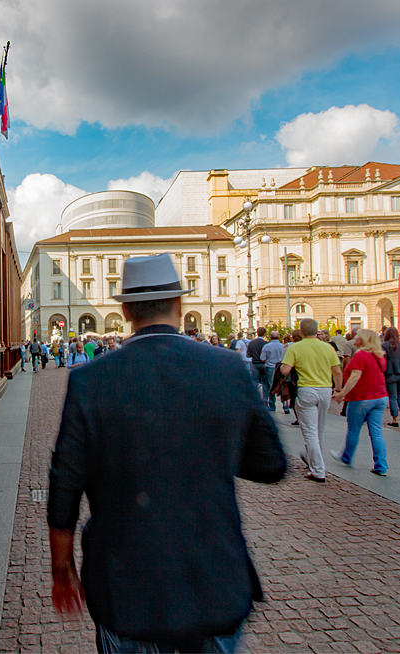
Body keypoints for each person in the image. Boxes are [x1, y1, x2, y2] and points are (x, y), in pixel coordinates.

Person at [48, 253, 286, 653]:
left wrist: (62, 569)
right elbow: (269, 464)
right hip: (213, 578)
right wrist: (211, 448)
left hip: (125, 584)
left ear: (124, 310)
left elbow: (64, 485)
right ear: (180, 305)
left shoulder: (90, 380)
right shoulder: (227, 367)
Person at [280, 318, 342, 482]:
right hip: (325, 390)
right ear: (316, 331)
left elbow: (285, 370)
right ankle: (313, 461)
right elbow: (337, 371)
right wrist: (338, 389)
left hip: (306, 390)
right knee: (319, 429)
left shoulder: (296, 348)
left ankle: (318, 470)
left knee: (309, 432)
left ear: (301, 332)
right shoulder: (327, 348)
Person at [331, 329, 390, 476]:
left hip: (362, 397)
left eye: (358, 336)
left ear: (364, 340)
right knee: (376, 432)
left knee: (353, 429)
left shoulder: (361, 355)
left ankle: (346, 456)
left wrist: (341, 393)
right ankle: (381, 465)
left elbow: (355, 377)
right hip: (380, 397)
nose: (355, 337)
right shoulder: (379, 355)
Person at [261, 331, 286, 412]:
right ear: (279, 337)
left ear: (270, 337)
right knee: (281, 385)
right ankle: (285, 405)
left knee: (271, 386)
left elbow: (262, 358)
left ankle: (272, 405)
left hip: (270, 367)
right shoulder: (283, 346)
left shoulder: (267, 346)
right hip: (281, 367)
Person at [247, 327, 271, 407]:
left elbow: (248, 355)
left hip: (254, 364)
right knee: (265, 383)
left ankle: (254, 400)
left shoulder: (252, 343)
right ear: (264, 334)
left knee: (254, 383)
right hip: (263, 365)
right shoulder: (266, 344)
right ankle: (265, 401)